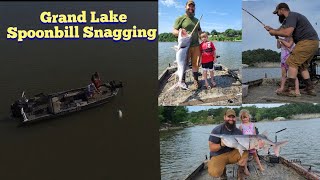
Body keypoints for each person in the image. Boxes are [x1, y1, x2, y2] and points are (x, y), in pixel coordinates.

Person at [264, 2, 319, 96]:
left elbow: (287, 33)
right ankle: (310, 89)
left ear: (281, 9)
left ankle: (291, 90)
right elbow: (279, 31)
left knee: (292, 62)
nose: (277, 15)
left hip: (306, 42)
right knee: (302, 66)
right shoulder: (288, 20)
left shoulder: (291, 16)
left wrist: (273, 32)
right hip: (313, 42)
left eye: (277, 12)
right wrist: (271, 29)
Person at [208, 109, 248, 180]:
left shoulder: (238, 131)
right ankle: (223, 173)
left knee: (245, 152)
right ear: (224, 117)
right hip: (219, 154)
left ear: (235, 118)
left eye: (233, 117)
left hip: (232, 153)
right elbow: (211, 148)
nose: (231, 119)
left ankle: (240, 173)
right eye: (229, 117)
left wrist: (256, 145)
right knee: (215, 172)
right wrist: (221, 145)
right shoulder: (217, 130)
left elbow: (244, 145)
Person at [173, 0, 202, 89]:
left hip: (196, 45)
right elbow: (174, 31)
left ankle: (196, 80)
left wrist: (205, 39)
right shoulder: (180, 19)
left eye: (193, 6)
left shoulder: (197, 20)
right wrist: (182, 34)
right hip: (184, 46)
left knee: (195, 64)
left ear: (194, 8)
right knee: (183, 64)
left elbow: (199, 32)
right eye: (189, 6)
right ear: (185, 7)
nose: (191, 8)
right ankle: (182, 81)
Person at [275, 22, 300, 96]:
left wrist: (282, 40)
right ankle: (282, 88)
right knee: (283, 75)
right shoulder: (282, 39)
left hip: (290, 59)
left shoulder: (292, 38)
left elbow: (289, 45)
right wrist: (278, 39)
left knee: (293, 76)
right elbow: (278, 47)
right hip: (283, 60)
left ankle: (297, 90)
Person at [239, 109, 264, 175]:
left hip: (252, 143)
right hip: (245, 144)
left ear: (249, 117)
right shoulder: (241, 126)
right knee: (245, 157)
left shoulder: (253, 124)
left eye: (246, 117)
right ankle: (246, 169)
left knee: (255, 155)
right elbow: (240, 136)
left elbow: (255, 134)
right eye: (243, 118)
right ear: (241, 119)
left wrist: (257, 143)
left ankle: (260, 166)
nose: (244, 119)